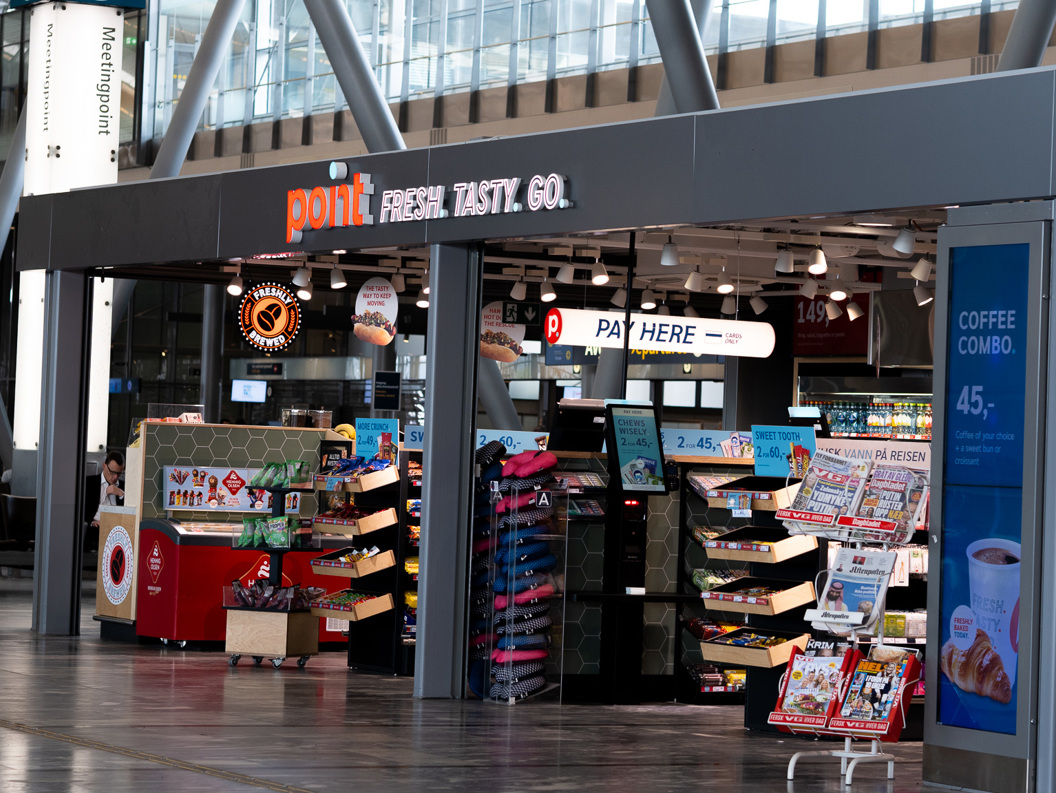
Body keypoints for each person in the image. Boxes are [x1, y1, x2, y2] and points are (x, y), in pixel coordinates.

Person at [92, 451, 125, 529]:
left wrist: (121, 493)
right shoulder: (90, 483)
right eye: (113, 473)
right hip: (95, 529)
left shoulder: (124, 487)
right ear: (104, 466)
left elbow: (131, 511)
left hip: (117, 529)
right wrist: (92, 522)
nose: (116, 477)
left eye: (119, 473)